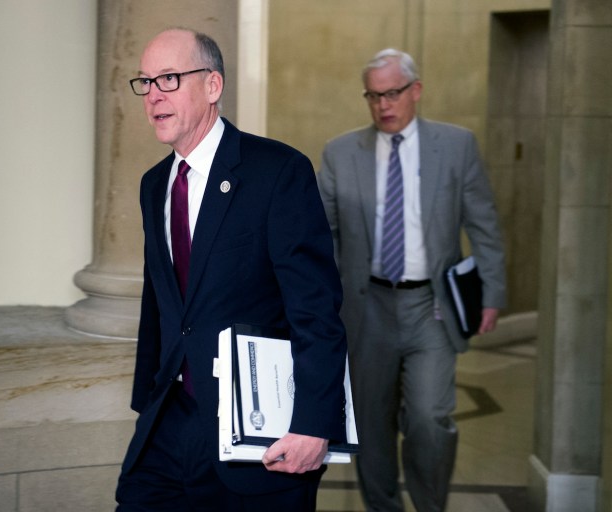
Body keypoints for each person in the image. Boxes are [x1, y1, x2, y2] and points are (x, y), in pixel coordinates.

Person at [115, 28, 349, 511]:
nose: (153, 95)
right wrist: (148, 400)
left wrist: (313, 424)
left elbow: (316, 308)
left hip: (257, 443)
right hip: (169, 426)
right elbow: (160, 303)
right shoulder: (154, 184)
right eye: (145, 82)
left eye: (170, 78)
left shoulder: (277, 172)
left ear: (213, 86)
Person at [317, 48, 507, 512]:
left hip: (431, 306)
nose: (383, 104)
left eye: (393, 93)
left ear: (415, 91)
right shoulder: (341, 153)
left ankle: (430, 505)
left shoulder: (456, 145)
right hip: (367, 309)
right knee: (372, 423)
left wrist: (493, 292)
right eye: (374, 95)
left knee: (430, 417)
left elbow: (483, 223)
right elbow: (324, 237)